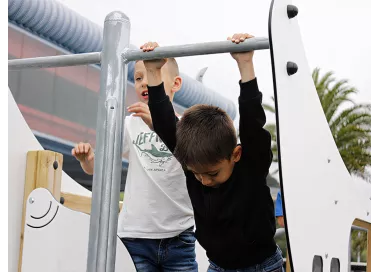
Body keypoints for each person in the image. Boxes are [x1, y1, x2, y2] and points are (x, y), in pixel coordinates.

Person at [139, 33, 284, 271]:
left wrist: (245, 64)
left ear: (235, 155)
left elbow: (252, 126)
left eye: (213, 174)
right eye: (197, 175)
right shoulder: (193, 163)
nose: (204, 181)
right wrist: (154, 73)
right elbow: (166, 125)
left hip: (262, 266)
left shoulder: (251, 167)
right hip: (218, 266)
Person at [71, 57, 198, 272]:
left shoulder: (186, 125)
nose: (143, 82)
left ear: (175, 84)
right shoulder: (129, 124)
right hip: (135, 236)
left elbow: (197, 165)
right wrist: (88, 160)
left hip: (179, 237)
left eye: (150, 75)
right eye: (138, 77)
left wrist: (158, 121)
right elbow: (98, 168)